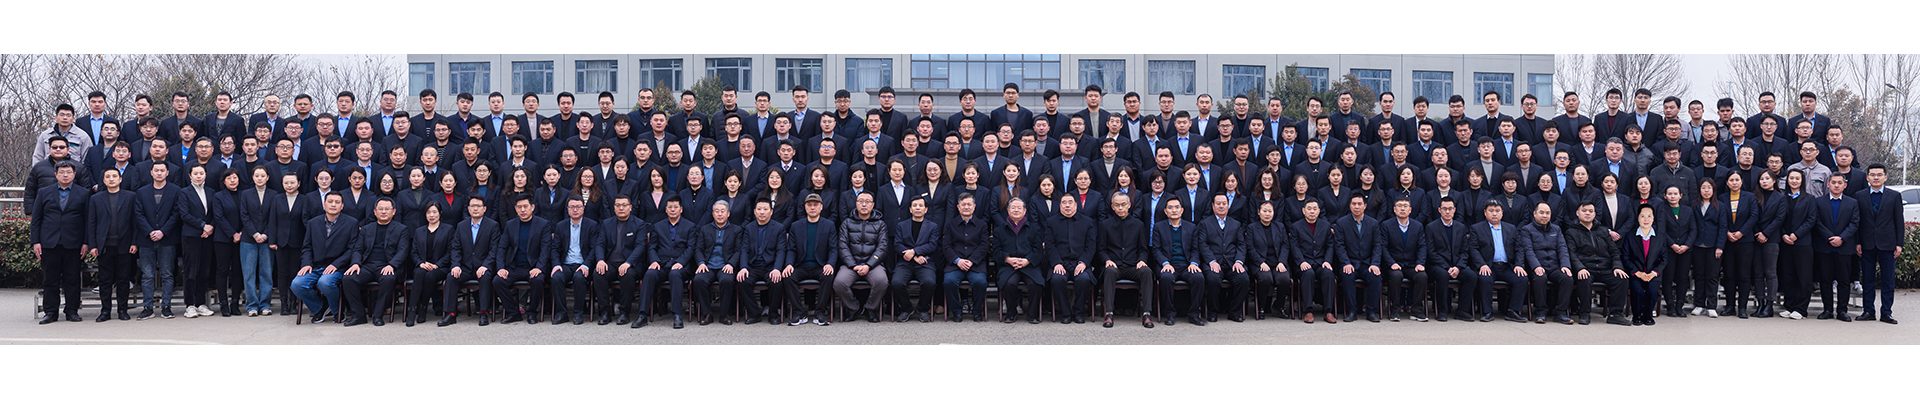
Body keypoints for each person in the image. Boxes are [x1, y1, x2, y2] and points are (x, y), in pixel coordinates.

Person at [31, 160, 89, 324]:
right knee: (50, 279)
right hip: (49, 242)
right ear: (55, 175)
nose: (65, 175)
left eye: (68, 172)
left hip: (74, 242)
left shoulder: (84, 193)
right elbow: (36, 219)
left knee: (73, 279)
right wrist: (36, 241)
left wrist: (86, 242)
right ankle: (51, 312)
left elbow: (88, 220)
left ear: (74, 175)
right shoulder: (44, 192)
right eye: (62, 172)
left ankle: (72, 310)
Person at [292, 192, 359, 323]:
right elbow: (307, 247)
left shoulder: (351, 223)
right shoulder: (313, 223)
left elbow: (352, 249)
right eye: (330, 201)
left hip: (338, 267)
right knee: (297, 284)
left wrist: (336, 264)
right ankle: (320, 307)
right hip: (315, 266)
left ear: (342, 206)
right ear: (324, 204)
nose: (333, 205)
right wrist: (306, 264)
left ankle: (337, 310)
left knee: (325, 283)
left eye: (337, 202)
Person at [341, 198, 408, 327]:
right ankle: (359, 315)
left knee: (388, 279)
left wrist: (392, 265)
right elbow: (358, 249)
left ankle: (378, 315)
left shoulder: (401, 229)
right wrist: (355, 263)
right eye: (380, 209)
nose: (383, 212)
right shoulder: (366, 229)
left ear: (394, 211)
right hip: (367, 266)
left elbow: (403, 251)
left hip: (387, 265)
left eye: (387, 209)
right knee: (348, 279)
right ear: (375, 211)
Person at [1565, 201, 1632, 325]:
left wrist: (1617, 267)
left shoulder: (1603, 231)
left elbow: (1614, 251)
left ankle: (1615, 314)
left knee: (1621, 279)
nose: (1587, 213)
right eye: (1584, 211)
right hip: (1586, 267)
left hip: (1605, 267)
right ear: (1577, 213)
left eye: (1590, 211)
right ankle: (1584, 313)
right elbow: (1571, 253)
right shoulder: (1571, 232)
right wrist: (1580, 268)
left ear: (1595, 214)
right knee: (1583, 279)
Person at [492, 195, 555, 325]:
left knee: (538, 280)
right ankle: (513, 312)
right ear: (515, 209)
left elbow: (546, 249)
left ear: (532, 207)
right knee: (498, 281)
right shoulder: (510, 225)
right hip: (515, 267)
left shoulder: (543, 224)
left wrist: (539, 268)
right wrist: (501, 268)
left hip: (534, 266)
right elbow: (502, 248)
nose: (522, 210)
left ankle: (532, 313)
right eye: (519, 207)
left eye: (525, 206)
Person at [1469, 200, 1534, 323]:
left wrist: (1519, 265)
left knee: (1522, 279)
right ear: (1485, 212)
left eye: (1497, 211)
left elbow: (1519, 248)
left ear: (1502, 213)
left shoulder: (1511, 228)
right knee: (1484, 279)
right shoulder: (1476, 228)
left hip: (1507, 266)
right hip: (1489, 266)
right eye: (1491, 211)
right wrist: (1482, 264)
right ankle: (1487, 312)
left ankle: (1513, 311)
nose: (1494, 214)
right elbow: (1473, 249)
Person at [442, 196, 502, 327]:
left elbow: (494, 249)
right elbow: (456, 248)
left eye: (478, 206)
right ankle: (450, 314)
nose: (475, 209)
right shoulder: (461, 226)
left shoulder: (493, 225)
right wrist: (456, 265)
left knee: (485, 277)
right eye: (472, 206)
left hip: (484, 266)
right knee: (451, 277)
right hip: (466, 267)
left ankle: (484, 313)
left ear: (484, 209)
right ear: (468, 209)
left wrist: (486, 265)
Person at [1099, 193, 1156, 328]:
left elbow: (1143, 249)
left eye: (1123, 204)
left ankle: (1147, 314)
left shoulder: (1138, 224)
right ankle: (1109, 313)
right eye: (1117, 205)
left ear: (1129, 205)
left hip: (1133, 266)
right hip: (1114, 265)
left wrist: (1141, 260)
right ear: (1112, 207)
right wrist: (1107, 260)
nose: (1120, 208)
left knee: (1147, 272)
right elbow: (1101, 249)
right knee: (1109, 271)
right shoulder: (1105, 225)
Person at [133, 162, 182, 319]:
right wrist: (150, 231)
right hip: (146, 239)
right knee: (147, 275)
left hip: (167, 239)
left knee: (167, 274)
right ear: (151, 172)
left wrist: (163, 231)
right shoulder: (141, 192)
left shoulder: (176, 191)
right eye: (156, 170)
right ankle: (148, 307)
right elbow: (138, 214)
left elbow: (176, 214)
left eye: (162, 170)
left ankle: (166, 306)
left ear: (167, 172)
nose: (159, 173)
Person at [1854, 164, 1902, 324]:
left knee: (1888, 280)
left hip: (1888, 244)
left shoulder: (1894, 196)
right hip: (1866, 244)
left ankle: (1886, 312)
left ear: (1885, 177)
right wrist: (1857, 242)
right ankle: (1868, 311)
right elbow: (1857, 222)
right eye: (1872, 174)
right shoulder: (1859, 196)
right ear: (1867, 177)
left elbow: (1899, 221)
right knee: (1868, 279)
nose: (1876, 177)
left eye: (1879, 174)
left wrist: (1899, 244)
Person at [781, 194, 837, 326]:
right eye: (809, 205)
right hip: (801, 266)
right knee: (788, 276)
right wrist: (789, 264)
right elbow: (792, 249)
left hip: (820, 266)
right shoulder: (796, 226)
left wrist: (830, 264)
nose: (812, 207)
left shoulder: (829, 225)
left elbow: (833, 249)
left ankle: (820, 313)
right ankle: (799, 313)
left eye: (815, 205)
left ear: (821, 207)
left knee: (828, 276)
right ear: (805, 207)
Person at [1151, 197, 1208, 326]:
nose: (1174, 210)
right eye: (1170, 208)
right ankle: (1169, 314)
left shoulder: (1191, 227)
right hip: (1168, 265)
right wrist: (1165, 263)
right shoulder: (1159, 227)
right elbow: (1156, 250)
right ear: (1165, 211)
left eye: (1177, 207)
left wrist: (1193, 263)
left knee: (1199, 278)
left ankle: (1194, 314)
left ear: (1182, 210)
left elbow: (1195, 249)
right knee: (1166, 278)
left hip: (1187, 265)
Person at [546, 196, 603, 325]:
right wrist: (556, 265)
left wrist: (586, 265)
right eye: (572, 207)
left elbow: (594, 249)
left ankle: (578, 313)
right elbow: (554, 249)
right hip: (566, 264)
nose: (575, 210)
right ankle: (561, 313)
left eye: (578, 207)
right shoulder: (561, 226)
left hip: (583, 264)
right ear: (567, 209)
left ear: (583, 208)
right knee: (556, 277)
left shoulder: (592, 225)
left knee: (579, 277)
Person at [835, 192, 891, 323]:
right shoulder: (847, 223)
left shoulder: (880, 224)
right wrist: (853, 265)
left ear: (873, 205)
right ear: (856, 204)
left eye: (867, 201)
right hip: (851, 264)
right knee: (839, 283)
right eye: (861, 201)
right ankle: (854, 308)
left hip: (873, 265)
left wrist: (868, 265)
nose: (864, 204)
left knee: (882, 281)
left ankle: (870, 309)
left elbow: (882, 248)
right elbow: (843, 247)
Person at [1810, 174, 1858, 321]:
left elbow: (1854, 223)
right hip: (1824, 247)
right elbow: (1816, 222)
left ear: (1845, 185)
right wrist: (1830, 237)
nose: (1836, 185)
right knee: (1825, 280)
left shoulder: (1852, 203)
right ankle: (1827, 310)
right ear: (1828, 184)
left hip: (1844, 247)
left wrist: (1841, 238)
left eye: (1839, 183)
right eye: (1833, 182)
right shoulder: (1819, 202)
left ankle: (1842, 310)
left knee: (1844, 281)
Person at [597, 195, 650, 326]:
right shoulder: (607, 223)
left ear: (630, 207)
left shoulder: (639, 224)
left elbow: (640, 246)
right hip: (611, 263)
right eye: (618, 205)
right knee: (598, 273)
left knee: (627, 275)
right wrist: (600, 260)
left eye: (624, 205)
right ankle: (605, 312)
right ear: (614, 208)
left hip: (631, 263)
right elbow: (600, 244)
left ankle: (624, 312)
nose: (621, 208)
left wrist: (628, 263)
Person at [736, 199, 790, 325]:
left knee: (776, 282)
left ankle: (773, 314)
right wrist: (743, 267)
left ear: (771, 212)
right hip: (753, 266)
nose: (762, 212)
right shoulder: (749, 228)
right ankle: (754, 314)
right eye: (759, 209)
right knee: (742, 280)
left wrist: (777, 268)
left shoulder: (779, 228)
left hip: (770, 266)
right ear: (754, 211)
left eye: (765, 209)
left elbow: (781, 251)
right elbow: (744, 250)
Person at [998, 197, 1050, 324]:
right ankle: (1011, 312)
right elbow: (996, 251)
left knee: (1036, 284)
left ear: (1025, 211)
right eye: (1013, 208)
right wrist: (1008, 259)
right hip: (1009, 266)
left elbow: (1038, 250)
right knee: (1008, 283)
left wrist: (1027, 260)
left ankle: (1032, 314)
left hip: (1029, 265)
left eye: (1019, 208)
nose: (1016, 210)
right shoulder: (1000, 229)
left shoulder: (1034, 228)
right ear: (1008, 210)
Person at [690, 200, 743, 325]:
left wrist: (731, 264)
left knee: (727, 280)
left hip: (726, 265)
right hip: (708, 265)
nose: (720, 214)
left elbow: (738, 250)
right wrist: (701, 263)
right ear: (713, 214)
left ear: (728, 214)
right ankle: (707, 313)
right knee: (698, 280)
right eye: (717, 211)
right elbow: (698, 249)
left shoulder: (736, 230)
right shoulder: (704, 229)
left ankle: (724, 314)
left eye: (722, 211)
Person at [1290, 197, 1342, 324]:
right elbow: (1294, 247)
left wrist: (1327, 261)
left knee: (1328, 274)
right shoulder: (1296, 226)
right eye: (1309, 209)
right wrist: (1301, 261)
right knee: (1308, 274)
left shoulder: (1326, 225)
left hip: (1320, 262)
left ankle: (1328, 311)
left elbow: (1330, 245)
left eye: (1314, 209)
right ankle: (1308, 311)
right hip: (1304, 263)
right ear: (1303, 211)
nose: (1312, 211)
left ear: (1319, 211)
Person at [1045, 195, 1096, 324]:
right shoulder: (1051, 222)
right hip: (1060, 263)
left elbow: (1091, 246)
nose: (1067, 205)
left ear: (1076, 205)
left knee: (1084, 279)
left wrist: (1083, 262)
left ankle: (1078, 312)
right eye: (1064, 202)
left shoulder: (1087, 222)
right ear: (1060, 206)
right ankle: (1066, 312)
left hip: (1079, 262)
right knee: (1057, 279)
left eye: (1070, 202)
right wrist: (1056, 263)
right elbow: (1050, 245)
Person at [1423, 197, 1475, 321]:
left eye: (1450, 209)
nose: (1447, 211)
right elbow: (1431, 252)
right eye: (1444, 209)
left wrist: (1458, 267)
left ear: (1455, 210)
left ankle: (1462, 310)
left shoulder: (1461, 227)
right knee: (1443, 275)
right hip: (1438, 266)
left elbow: (1465, 251)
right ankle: (1443, 310)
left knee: (1471, 276)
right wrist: (1447, 267)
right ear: (1439, 210)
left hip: (1457, 265)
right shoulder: (1431, 227)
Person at [1332, 195, 1383, 322]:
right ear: (1350, 206)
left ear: (1365, 206)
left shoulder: (1373, 223)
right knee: (1347, 276)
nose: (1356, 207)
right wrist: (1345, 262)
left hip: (1367, 263)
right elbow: (1339, 246)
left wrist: (1375, 264)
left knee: (1375, 277)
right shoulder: (1341, 223)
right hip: (1349, 262)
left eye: (1359, 204)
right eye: (1354, 204)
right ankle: (1351, 311)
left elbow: (1377, 246)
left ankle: (1371, 311)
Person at [890, 196, 941, 323]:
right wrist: (914, 256)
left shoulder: (933, 226)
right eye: (915, 205)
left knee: (929, 282)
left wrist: (914, 251)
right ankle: (907, 308)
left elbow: (932, 245)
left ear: (926, 209)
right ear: (910, 209)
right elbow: (897, 245)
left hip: (925, 263)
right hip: (905, 263)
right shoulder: (901, 226)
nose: (918, 208)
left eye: (921, 205)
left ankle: (922, 308)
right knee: (896, 283)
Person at [647, 196, 696, 329]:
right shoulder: (658, 226)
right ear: (666, 210)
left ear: (681, 209)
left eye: (675, 207)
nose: (673, 210)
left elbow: (691, 248)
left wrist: (681, 262)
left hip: (681, 266)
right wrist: (654, 261)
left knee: (675, 274)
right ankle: (642, 314)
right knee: (650, 274)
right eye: (670, 207)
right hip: (662, 264)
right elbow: (652, 247)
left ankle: (677, 315)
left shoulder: (690, 226)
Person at [1377, 198, 1426, 322]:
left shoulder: (1418, 226)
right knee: (1396, 276)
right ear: (1394, 209)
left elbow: (1422, 246)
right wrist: (1391, 263)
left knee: (1422, 276)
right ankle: (1395, 310)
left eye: (1405, 206)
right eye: (1399, 206)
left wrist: (1420, 263)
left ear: (1410, 210)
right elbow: (1383, 247)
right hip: (1393, 264)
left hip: (1411, 264)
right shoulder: (1386, 225)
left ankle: (1416, 310)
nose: (1402, 208)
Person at [408, 201, 453, 327]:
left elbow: (450, 252)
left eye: (434, 212)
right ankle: (412, 311)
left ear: (440, 213)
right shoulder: (419, 231)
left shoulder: (448, 229)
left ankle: (423, 307)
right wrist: (420, 263)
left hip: (440, 267)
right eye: (428, 212)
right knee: (419, 273)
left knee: (430, 276)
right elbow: (413, 252)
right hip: (423, 265)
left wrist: (437, 265)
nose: (431, 215)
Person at [1655, 186, 1698, 318]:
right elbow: (1661, 230)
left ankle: (1680, 305)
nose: (1672, 196)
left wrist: (1686, 245)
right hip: (1669, 249)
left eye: (1675, 193)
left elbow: (1693, 230)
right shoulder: (1662, 210)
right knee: (1668, 277)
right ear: (1664, 196)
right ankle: (1670, 306)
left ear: (1681, 195)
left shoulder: (1688, 210)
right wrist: (1672, 244)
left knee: (1683, 278)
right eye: (1669, 194)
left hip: (1685, 250)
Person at [1686, 181, 1727, 318]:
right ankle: (1699, 304)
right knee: (1699, 276)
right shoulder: (1694, 205)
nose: (1706, 190)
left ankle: (1711, 306)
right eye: (1703, 187)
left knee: (1712, 276)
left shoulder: (1720, 206)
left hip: (1713, 246)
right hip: (1698, 245)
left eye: (1709, 187)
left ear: (1714, 190)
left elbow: (1723, 227)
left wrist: (1720, 246)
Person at [1623, 204, 1667, 325]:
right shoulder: (1630, 236)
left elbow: (1664, 258)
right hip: (1636, 273)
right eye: (1642, 216)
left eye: (1649, 216)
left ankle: (1648, 316)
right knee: (1637, 290)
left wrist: (1654, 273)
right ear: (1638, 218)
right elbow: (1625, 257)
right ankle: (1637, 316)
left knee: (1652, 290)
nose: (1646, 219)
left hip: (1653, 273)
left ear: (1653, 218)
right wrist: (1637, 273)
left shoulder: (1660, 236)